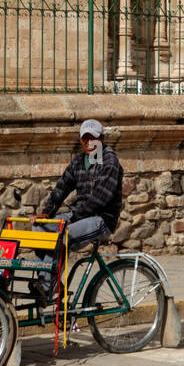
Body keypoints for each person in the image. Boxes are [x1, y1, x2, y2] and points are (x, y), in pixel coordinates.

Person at [32, 119, 124, 304]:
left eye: (93, 138)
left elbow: (101, 199)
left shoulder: (110, 161)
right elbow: (62, 187)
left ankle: (47, 285)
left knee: (63, 235)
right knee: (40, 229)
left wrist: (74, 217)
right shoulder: (79, 161)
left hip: (102, 219)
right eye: (85, 139)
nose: (89, 143)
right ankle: (49, 281)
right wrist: (47, 213)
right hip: (80, 215)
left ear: (102, 138)